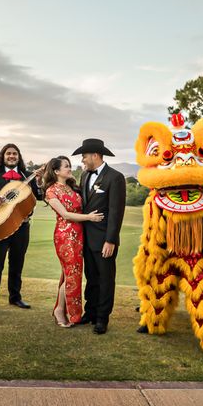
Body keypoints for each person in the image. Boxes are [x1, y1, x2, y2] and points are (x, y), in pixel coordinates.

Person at [0, 143, 43, 315]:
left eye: (15, 154)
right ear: (3, 156)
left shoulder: (27, 175)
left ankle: (15, 297)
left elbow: (39, 195)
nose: (12, 156)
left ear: (19, 157)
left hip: (22, 227)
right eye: (9, 154)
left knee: (17, 263)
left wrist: (39, 181)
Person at [42, 156, 103, 327]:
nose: (70, 168)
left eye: (69, 165)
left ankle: (64, 310)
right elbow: (66, 215)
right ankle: (60, 311)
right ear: (56, 171)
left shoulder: (72, 187)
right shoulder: (51, 191)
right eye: (66, 166)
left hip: (79, 234)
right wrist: (89, 217)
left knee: (72, 272)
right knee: (72, 273)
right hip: (65, 235)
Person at [74, 138, 126, 334]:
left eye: (84, 156)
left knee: (105, 279)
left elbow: (116, 212)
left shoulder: (115, 177)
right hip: (85, 239)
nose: (83, 160)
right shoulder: (84, 176)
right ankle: (91, 312)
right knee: (91, 277)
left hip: (104, 240)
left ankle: (102, 318)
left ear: (95, 155)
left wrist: (110, 240)